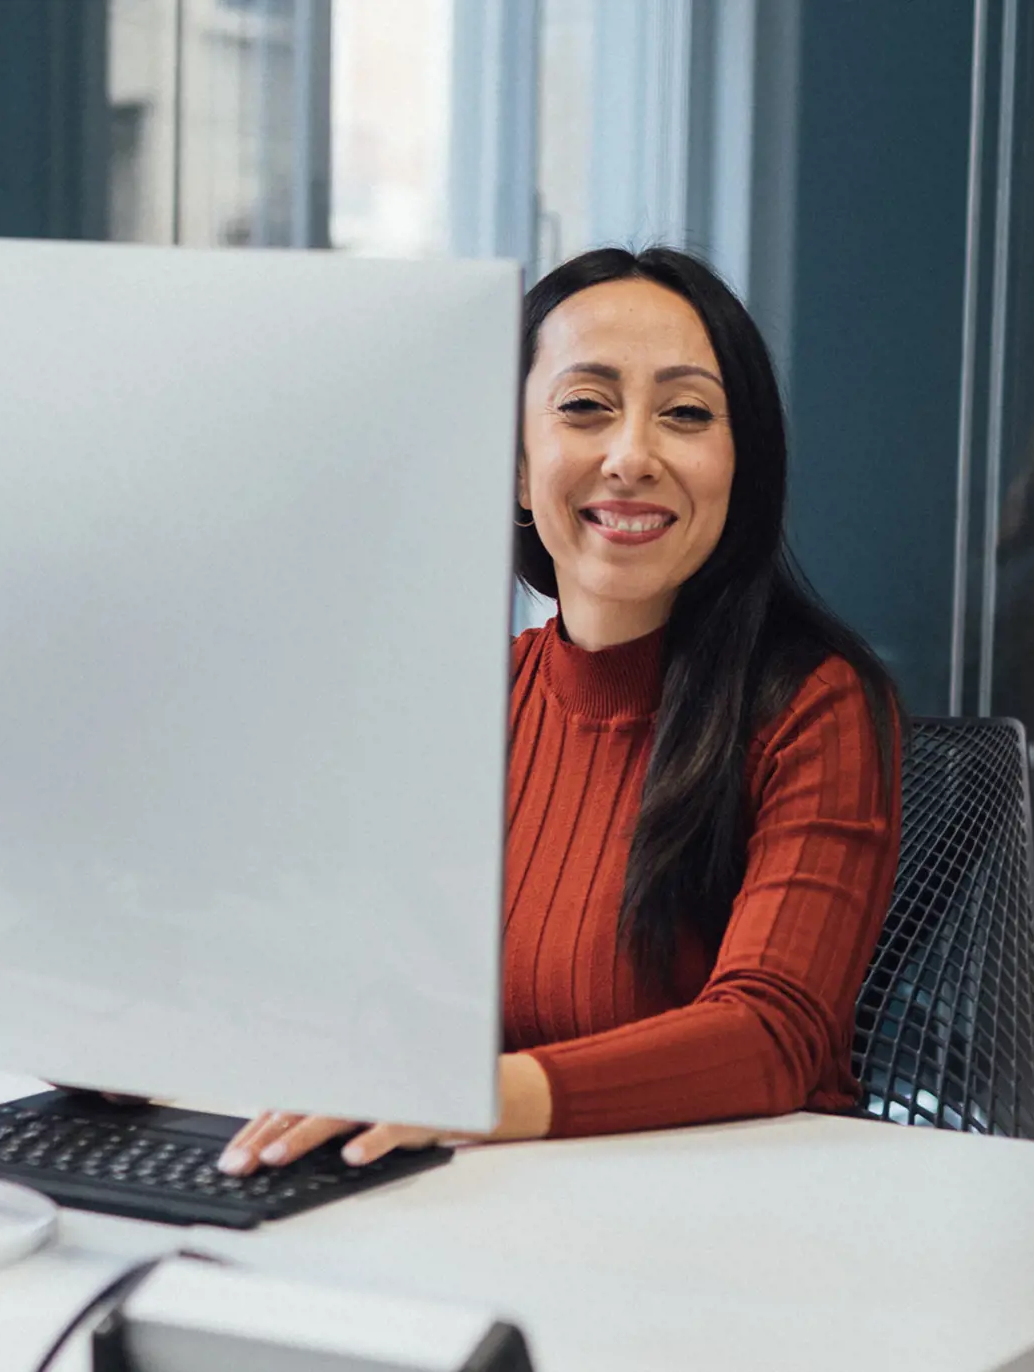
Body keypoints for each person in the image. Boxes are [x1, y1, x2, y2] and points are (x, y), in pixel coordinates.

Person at [222, 247, 903, 1174]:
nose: (632, 455)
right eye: (585, 407)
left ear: (742, 466)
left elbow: (771, 1034)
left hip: (733, 1225)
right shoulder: (469, 700)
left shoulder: (815, 705)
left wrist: (467, 1099)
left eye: (687, 413)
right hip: (491, 1202)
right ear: (512, 465)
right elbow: (351, 977)